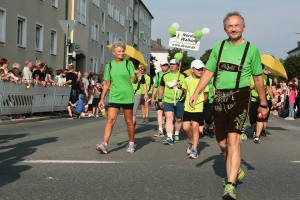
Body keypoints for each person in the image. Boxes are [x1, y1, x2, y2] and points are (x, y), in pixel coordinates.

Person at [189, 12, 269, 199]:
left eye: (237, 25)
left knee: (234, 140)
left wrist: (263, 103)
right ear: (225, 29)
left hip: (240, 96)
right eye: (229, 26)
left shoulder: (252, 49)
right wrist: (196, 92)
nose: (233, 28)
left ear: (243, 27)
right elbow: (208, 71)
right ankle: (236, 168)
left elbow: (258, 78)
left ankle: (230, 185)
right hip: (220, 98)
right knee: (223, 143)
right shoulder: (219, 46)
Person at [95, 42, 143, 154]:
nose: (121, 53)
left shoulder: (128, 64)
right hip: (115, 96)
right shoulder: (109, 65)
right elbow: (107, 84)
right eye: (119, 51)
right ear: (114, 52)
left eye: (123, 51)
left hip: (127, 96)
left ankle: (131, 143)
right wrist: (102, 99)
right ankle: (104, 144)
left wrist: (136, 75)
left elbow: (133, 80)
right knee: (110, 120)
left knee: (129, 122)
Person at [182, 60, 208, 159]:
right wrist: (189, 100)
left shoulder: (204, 80)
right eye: (198, 69)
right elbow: (185, 91)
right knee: (185, 128)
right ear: (192, 69)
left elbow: (206, 94)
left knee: (195, 127)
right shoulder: (187, 80)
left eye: (202, 69)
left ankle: (195, 150)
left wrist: (201, 102)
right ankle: (193, 141)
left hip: (198, 107)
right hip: (188, 107)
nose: (200, 71)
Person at [158, 59, 186, 145]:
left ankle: (176, 133)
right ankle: (169, 137)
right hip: (167, 100)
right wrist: (159, 100)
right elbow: (161, 88)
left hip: (180, 100)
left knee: (178, 119)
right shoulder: (165, 76)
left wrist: (180, 87)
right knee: (169, 118)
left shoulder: (183, 76)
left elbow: (187, 90)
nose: (172, 66)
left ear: (178, 65)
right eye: (171, 64)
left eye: (174, 64)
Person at [249, 67, 273, 143]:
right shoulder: (249, 76)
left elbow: (269, 88)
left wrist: (272, 98)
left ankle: (257, 136)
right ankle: (256, 130)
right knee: (252, 120)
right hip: (253, 99)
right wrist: (255, 85)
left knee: (260, 118)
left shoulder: (266, 77)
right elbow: (248, 87)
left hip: (262, 100)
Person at [151, 60, 170, 137]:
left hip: (169, 97)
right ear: (160, 66)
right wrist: (153, 97)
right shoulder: (158, 74)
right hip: (160, 97)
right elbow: (156, 86)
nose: (165, 66)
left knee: (167, 114)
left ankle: (167, 127)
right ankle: (160, 130)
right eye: (163, 65)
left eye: (166, 65)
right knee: (159, 113)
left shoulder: (171, 73)